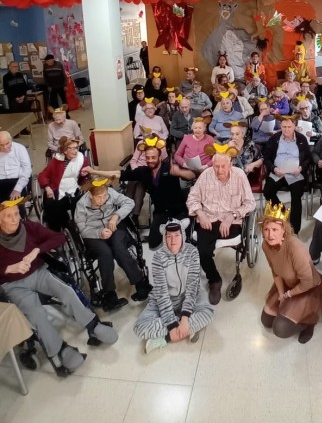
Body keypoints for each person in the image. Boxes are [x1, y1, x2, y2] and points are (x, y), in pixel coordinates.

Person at [0, 198, 118, 376]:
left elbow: (59, 237)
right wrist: (9, 268)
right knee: (37, 314)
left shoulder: (28, 227)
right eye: (8, 216)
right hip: (13, 284)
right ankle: (57, 350)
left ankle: (92, 325)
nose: (15, 219)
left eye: (16, 213)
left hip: (38, 273)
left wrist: (37, 250)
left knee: (66, 291)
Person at [133, 218, 214, 353]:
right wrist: (171, 324)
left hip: (189, 296)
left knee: (208, 313)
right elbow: (162, 294)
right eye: (169, 236)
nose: (173, 240)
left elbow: (192, 287)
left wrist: (185, 317)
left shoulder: (192, 252)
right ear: (164, 238)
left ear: (183, 236)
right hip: (165, 300)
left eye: (176, 235)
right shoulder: (158, 257)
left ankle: (165, 338)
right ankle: (186, 329)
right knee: (139, 327)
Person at [187, 152, 255, 304]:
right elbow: (192, 198)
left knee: (211, 243)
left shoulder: (239, 175)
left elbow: (250, 202)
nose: (219, 170)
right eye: (216, 166)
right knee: (202, 251)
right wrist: (201, 215)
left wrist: (232, 216)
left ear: (230, 165)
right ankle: (214, 280)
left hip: (232, 221)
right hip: (209, 219)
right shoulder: (206, 175)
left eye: (223, 166)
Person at [74, 179, 151, 310]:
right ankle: (109, 294)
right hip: (93, 233)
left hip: (114, 226)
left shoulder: (110, 193)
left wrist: (116, 216)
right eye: (98, 197)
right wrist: (99, 233)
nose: (102, 200)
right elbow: (81, 228)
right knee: (105, 252)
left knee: (118, 247)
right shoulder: (81, 205)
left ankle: (140, 283)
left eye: (105, 196)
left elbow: (129, 202)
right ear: (90, 195)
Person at [261, 203, 322, 344]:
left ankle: (309, 323)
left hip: (307, 287)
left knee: (280, 329)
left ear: (283, 230)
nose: (270, 235)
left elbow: (308, 282)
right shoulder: (266, 245)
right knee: (266, 321)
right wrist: (281, 293)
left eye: (275, 229)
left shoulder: (295, 247)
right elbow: (275, 271)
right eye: (266, 229)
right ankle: (291, 312)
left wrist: (288, 295)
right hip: (288, 283)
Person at [121, 139, 189, 248]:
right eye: (147, 158)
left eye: (153, 157)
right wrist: (96, 172)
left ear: (160, 157)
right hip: (160, 213)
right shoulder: (144, 171)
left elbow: (191, 175)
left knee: (180, 243)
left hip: (178, 211)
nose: (150, 160)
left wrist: (180, 172)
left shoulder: (169, 167)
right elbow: (121, 175)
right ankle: (165, 232)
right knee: (152, 244)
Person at [262, 116, 311, 235]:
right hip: (278, 172)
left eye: (289, 127)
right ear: (281, 126)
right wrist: (273, 168)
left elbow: (308, 158)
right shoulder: (274, 138)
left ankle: (294, 230)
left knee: (296, 197)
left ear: (294, 127)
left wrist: (301, 168)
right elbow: (267, 158)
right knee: (267, 191)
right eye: (284, 127)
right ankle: (283, 210)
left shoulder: (301, 139)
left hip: (295, 174)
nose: (286, 129)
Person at [38, 136, 91, 231]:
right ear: (65, 150)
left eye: (76, 148)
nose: (76, 151)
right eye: (73, 148)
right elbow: (42, 175)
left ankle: (76, 228)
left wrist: (84, 175)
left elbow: (84, 179)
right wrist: (47, 187)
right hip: (56, 191)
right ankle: (58, 231)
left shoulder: (82, 159)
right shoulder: (56, 161)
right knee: (53, 207)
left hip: (74, 191)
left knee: (79, 203)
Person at [126, 135, 169, 226]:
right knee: (131, 186)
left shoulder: (160, 145)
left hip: (149, 172)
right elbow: (133, 161)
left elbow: (164, 160)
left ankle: (135, 216)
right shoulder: (141, 143)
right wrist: (137, 172)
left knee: (139, 189)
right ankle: (126, 213)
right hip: (138, 170)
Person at [0, 131, 31, 201]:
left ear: (11, 140)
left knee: (16, 203)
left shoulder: (20, 148)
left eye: (7, 143)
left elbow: (27, 169)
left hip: (17, 180)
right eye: (1, 145)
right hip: (1, 181)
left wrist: (18, 189)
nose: (5, 147)